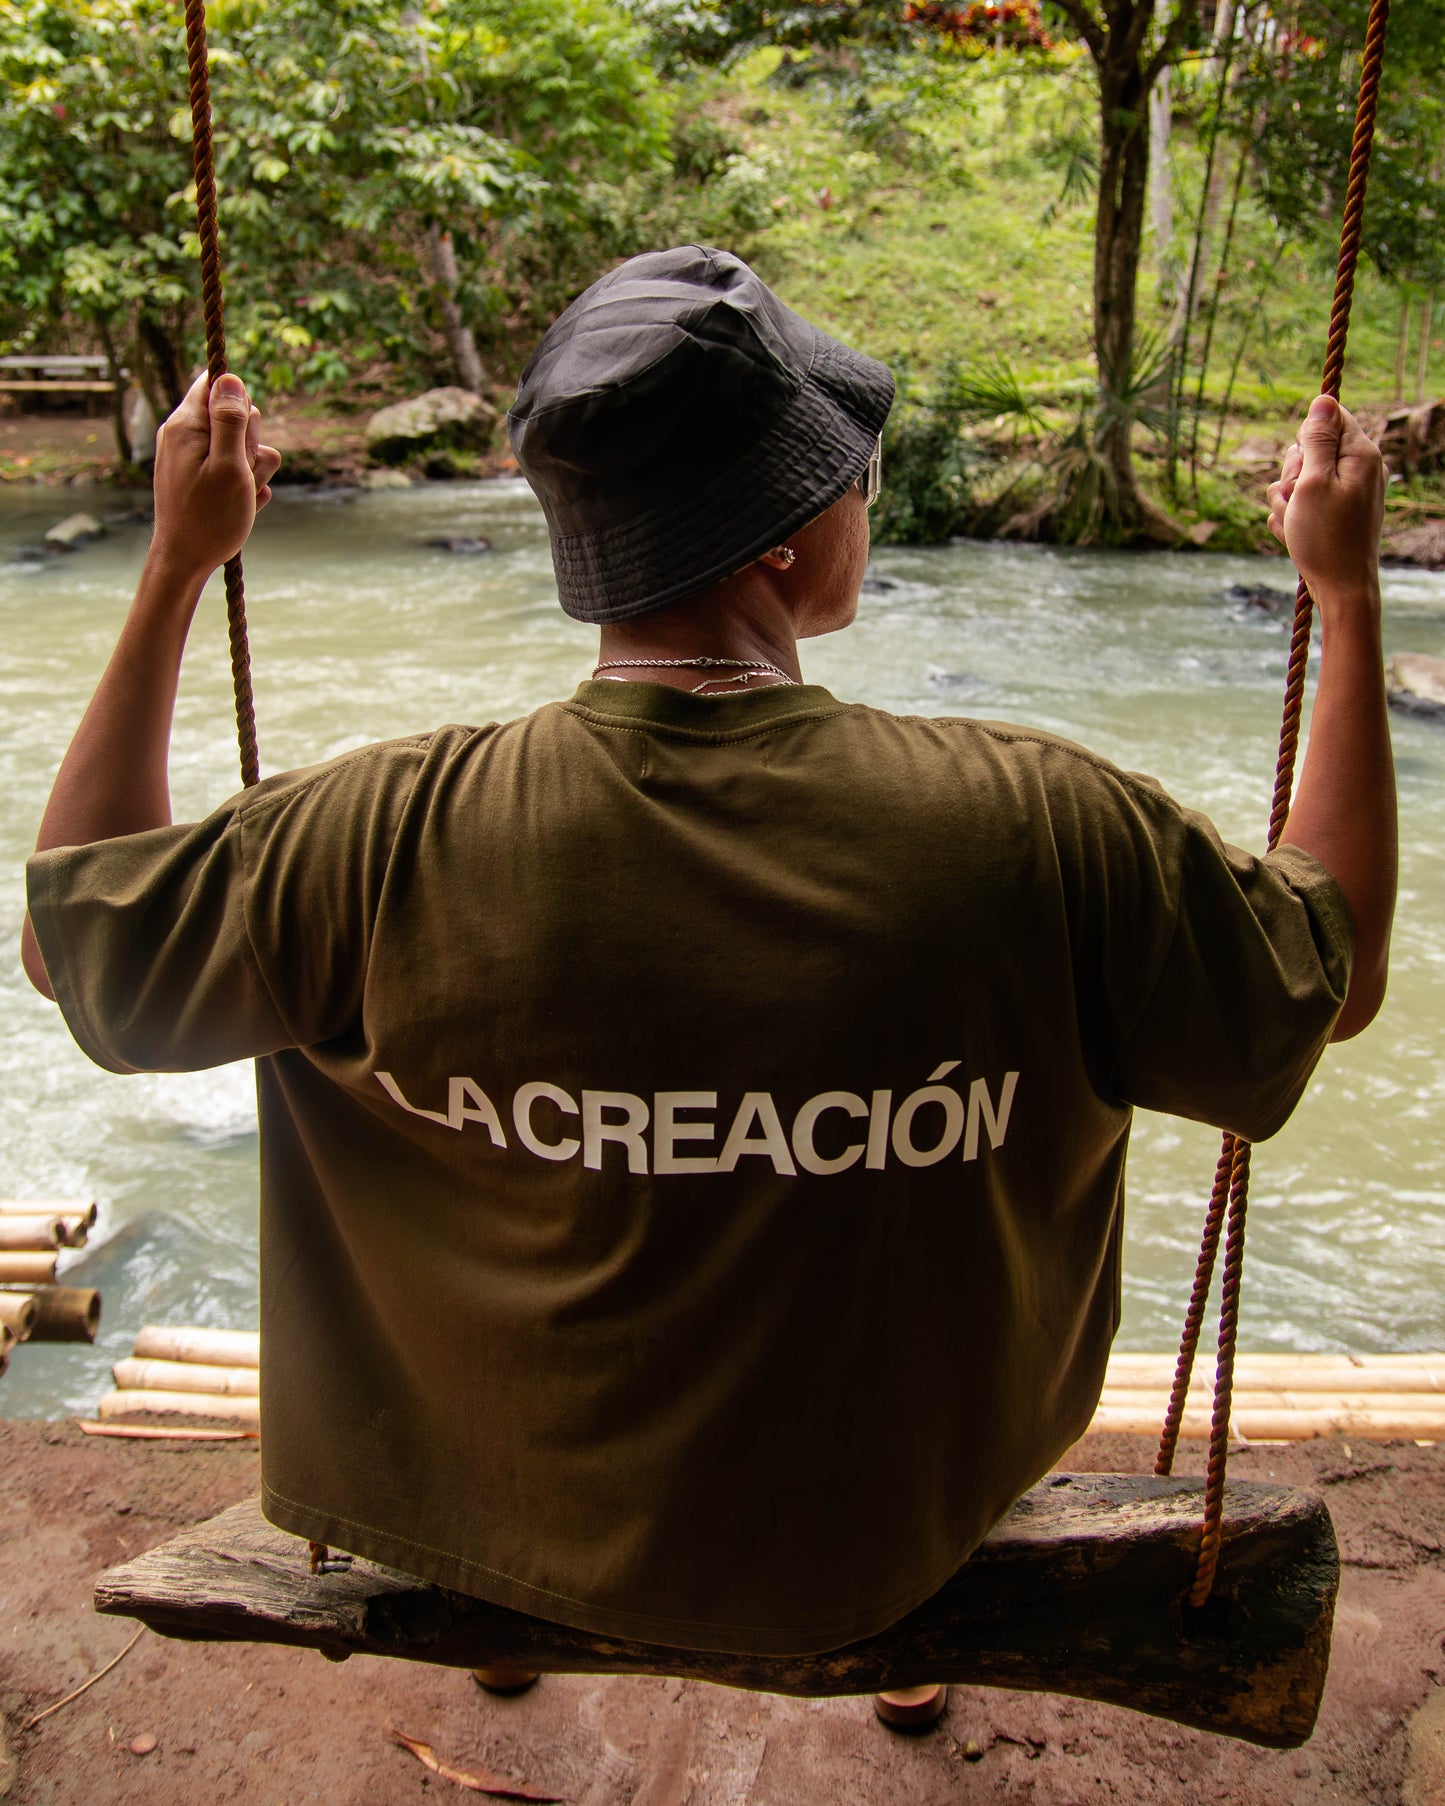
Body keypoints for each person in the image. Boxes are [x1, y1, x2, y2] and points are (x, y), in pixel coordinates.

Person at [21, 247, 1394, 1737]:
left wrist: (173, 566)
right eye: (851, 480)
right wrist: (1344, 592)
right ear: (789, 550)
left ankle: (502, 1618)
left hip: (490, 1494)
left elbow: (73, 939)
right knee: (888, 1417)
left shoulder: (372, 831)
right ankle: (900, 1634)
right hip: (881, 1531)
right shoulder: (1038, 823)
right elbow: (1337, 973)